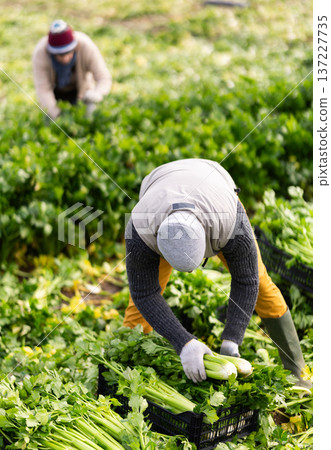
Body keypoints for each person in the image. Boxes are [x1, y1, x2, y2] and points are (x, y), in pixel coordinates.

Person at [123, 158, 312, 388]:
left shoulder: (231, 222)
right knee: (141, 300)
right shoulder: (140, 230)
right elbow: (145, 294)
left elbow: (246, 280)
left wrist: (232, 340)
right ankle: (128, 368)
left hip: (214, 190)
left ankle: (298, 372)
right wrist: (184, 343)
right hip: (160, 192)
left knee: (261, 282)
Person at [32, 19, 111, 119]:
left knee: (86, 118)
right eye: (60, 55)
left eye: (68, 53)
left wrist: (97, 94)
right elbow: (43, 89)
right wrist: (57, 115)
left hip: (82, 92)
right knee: (50, 119)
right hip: (55, 94)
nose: (65, 59)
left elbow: (103, 77)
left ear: (75, 47)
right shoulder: (41, 52)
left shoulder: (86, 46)